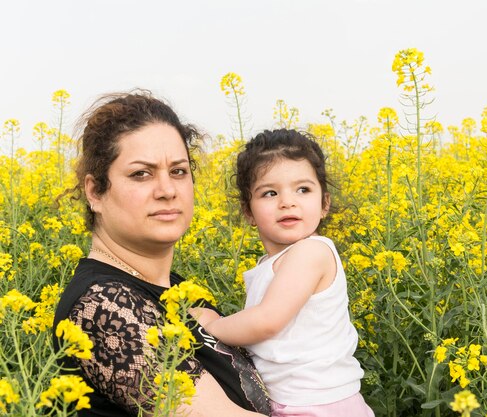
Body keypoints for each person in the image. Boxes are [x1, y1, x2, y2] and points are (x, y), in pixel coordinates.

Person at [52, 91, 271, 417]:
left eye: (179, 171)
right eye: (142, 173)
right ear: (95, 192)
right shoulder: (102, 306)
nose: (167, 190)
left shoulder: (180, 292)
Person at [202, 129, 374, 417]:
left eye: (303, 190)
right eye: (270, 193)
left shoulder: (311, 252)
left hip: (320, 405)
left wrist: (210, 326)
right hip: (297, 403)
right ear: (248, 212)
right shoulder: (271, 264)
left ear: (324, 204)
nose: (287, 201)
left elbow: (268, 321)